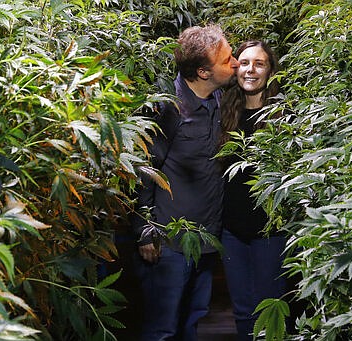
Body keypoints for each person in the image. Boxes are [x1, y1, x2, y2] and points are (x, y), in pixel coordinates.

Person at [131, 24, 240, 341]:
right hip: (169, 244)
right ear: (204, 72)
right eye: (227, 59)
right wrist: (144, 231)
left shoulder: (220, 101)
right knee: (161, 328)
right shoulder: (167, 108)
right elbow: (142, 169)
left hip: (205, 240)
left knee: (193, 322)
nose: (234, 63)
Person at [220, 40, 286, 341]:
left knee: (270, 309)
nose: (250, 70)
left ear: (270, 70)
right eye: (244, 63)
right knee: (243, 310)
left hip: (271, 230)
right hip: (232, 231)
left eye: (259, 64)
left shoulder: (284, 116)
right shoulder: (223, 112)